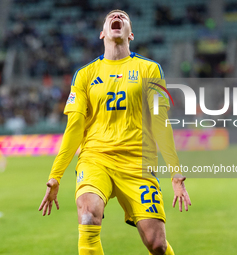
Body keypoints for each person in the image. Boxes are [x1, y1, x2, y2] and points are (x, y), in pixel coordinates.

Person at [39, 10, 191, 255]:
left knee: (157, 244)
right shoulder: (85, 74)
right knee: (87, 215)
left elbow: (160, 122)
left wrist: (175, 172)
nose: (116, 16)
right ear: (102, 33)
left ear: (131, 34)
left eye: (123, 16)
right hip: (96, 159)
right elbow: (74, 127)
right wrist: (56, 175)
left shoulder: (150, 69)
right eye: (111, 16)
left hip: (138, 164)